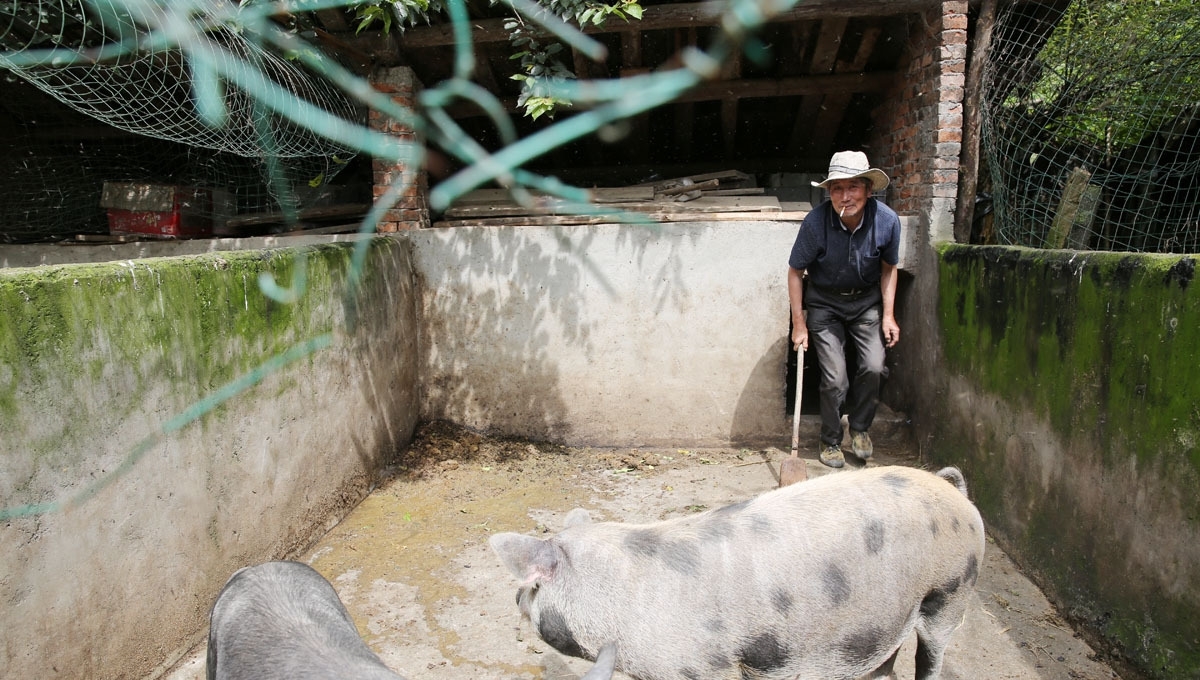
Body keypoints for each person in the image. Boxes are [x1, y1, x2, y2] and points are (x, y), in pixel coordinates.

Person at [787, 150, 901, 468]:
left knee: (874, 367)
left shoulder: (887, 221)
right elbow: (795, 272)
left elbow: (889, 268)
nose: (845, 196)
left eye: (852, 187)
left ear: (868, 188)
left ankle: (860, 428)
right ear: (829, 192)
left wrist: (889, 315)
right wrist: (800, 323)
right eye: (837, 188)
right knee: (835, 379)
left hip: (866, 303)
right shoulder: (815, 223)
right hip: (825, 303)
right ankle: (830, 439)